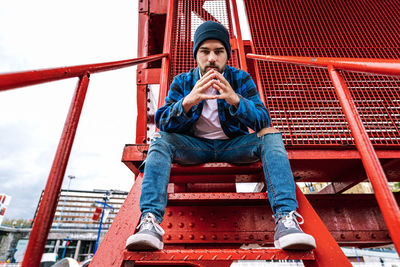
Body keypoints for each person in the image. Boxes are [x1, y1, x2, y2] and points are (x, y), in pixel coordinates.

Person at [126, 21, 316, 251]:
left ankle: (287, 221)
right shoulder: (183, 82)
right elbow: (163, 121)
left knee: (271, 136)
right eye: (205, 52)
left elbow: (262, 119)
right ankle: (150, 222)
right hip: (194, 147)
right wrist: (188, 101)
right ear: (196, 56)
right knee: (159, 140)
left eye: (219, 51)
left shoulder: (240, 79)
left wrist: (235, 100)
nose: (212, 58)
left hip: (233, 146)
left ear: (227, 55)